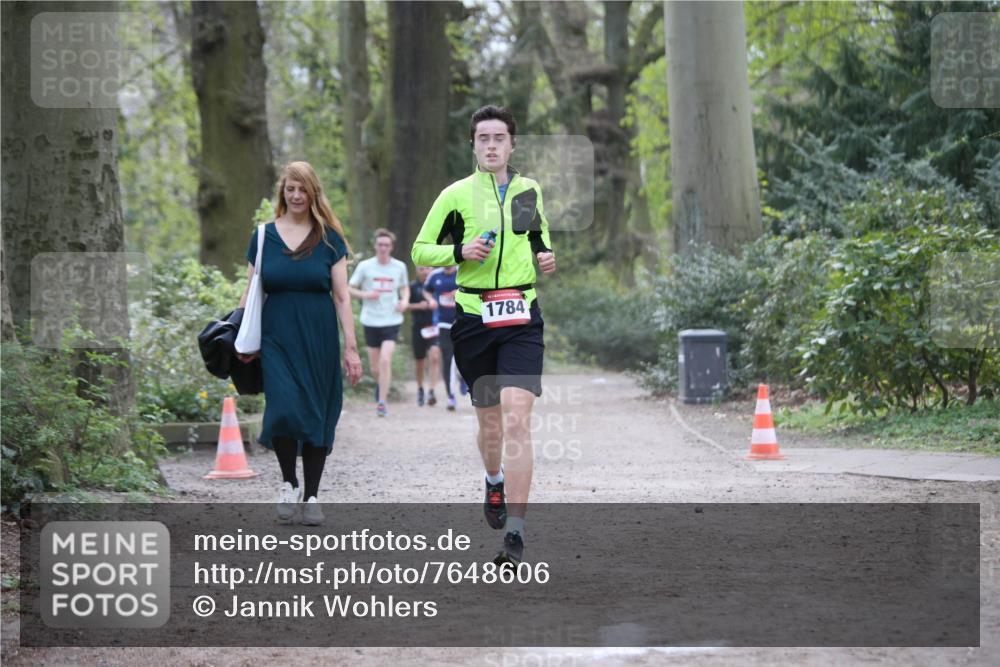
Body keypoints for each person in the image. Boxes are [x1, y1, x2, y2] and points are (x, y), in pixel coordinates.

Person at [412, 105, 556, 565]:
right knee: (490, 424)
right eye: (483, 138)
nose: (491, 145)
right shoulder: (455, 195)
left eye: (499, 138)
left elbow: (537, 239)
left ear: (511, 144)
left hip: (521, 317)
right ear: (473, 145)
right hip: (473, 320)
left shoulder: (528, 190)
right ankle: (492, 479)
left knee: (517, 420)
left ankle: (515, 532)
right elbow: (419, 249)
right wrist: (459, 250)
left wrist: (547, 256)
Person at [236, 161, 363, 526]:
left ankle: (312, 495)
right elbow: (251, 290)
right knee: (284, 408)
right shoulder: (262, 237)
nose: (295, 195)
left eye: (302, 189)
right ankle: (289, 483)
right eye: (290, 188)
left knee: (318, 413)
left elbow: (341, 297)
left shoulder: (329, 239)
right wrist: (238, 335)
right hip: (276, 336)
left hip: (319, 335)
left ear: (313, 194)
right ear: (282, 191)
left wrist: (350, 348)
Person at [348, 228, 409, 417]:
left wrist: (404, 301)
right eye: (380, 244)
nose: (383, 248)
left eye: (387, 245)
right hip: (371, 320)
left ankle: (382, 402)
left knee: (385, 359)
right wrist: (367, 294)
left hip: (391, 319)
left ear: (391, 247)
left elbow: (404, 288)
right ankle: (381, 386)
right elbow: (349, 288)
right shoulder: (365, 266)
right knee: (375, 367)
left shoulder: (399, 267)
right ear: (375, 246)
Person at [423, 265, 461, 410]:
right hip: (443, 323)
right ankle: (451, 395)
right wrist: (431, 300)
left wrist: (460, 292)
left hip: (463, 322)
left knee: (466, 356)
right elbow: (426, 291)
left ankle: (463, 377)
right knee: (448, 358)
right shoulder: (435, 275)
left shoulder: (462, 270)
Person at [407, 265, 440, 406]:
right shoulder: (412, 286)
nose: (425, 271)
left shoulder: (438, 284)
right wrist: (418, 306)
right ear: (416, 270)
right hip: (418, 328)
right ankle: (420, 389)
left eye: (428, 268)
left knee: (434, 357)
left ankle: (432, 390)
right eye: (421, 268)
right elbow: (403, 305)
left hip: (435, 327)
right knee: (420, 362)